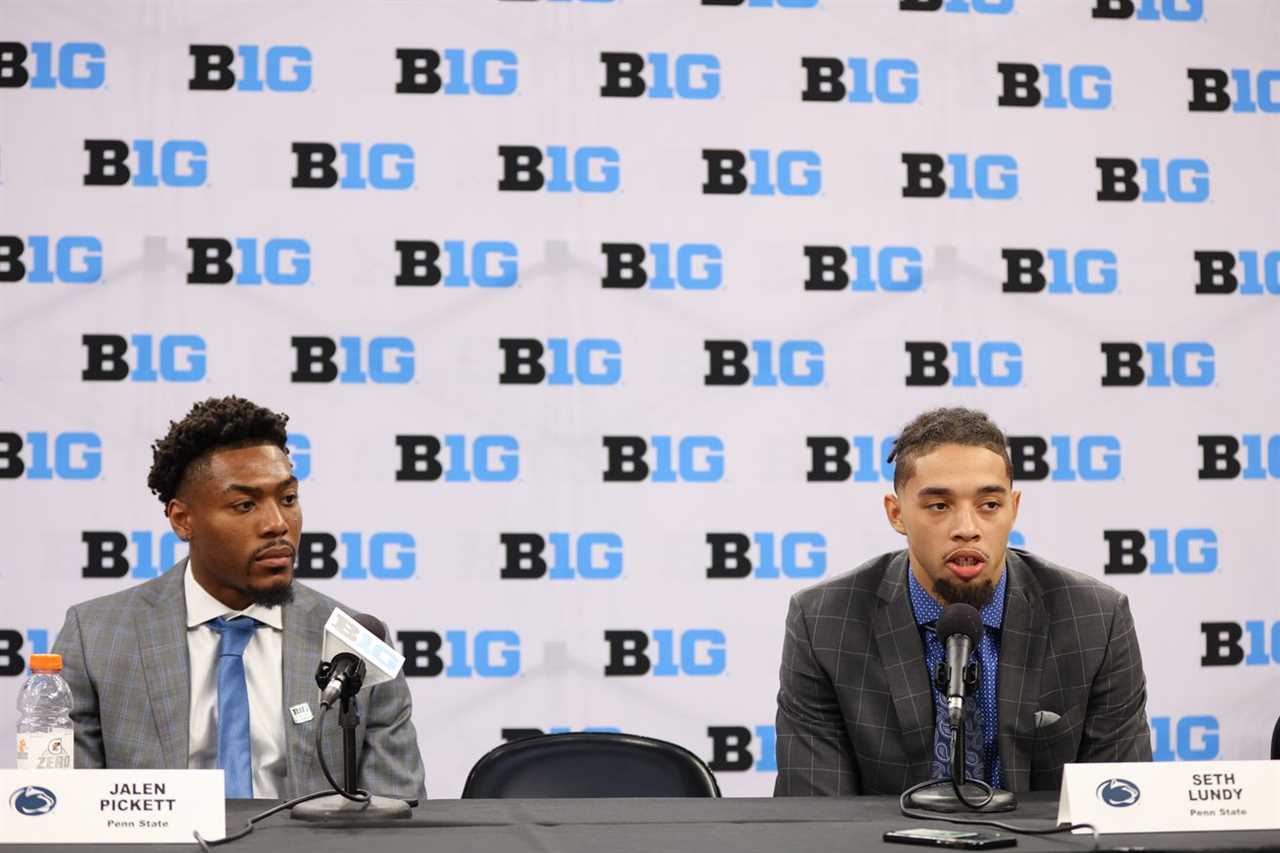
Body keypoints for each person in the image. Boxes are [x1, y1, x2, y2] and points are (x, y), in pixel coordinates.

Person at [53, 396, 426, 800]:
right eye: (245, 505)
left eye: (288, 499)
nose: (277, 524)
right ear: (183, 520)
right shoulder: (95, 639)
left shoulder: (357, 644)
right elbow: (68, 813)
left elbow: (398, 810)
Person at [774, 407, 1150, 796]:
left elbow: (1123, 805)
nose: (967, 529)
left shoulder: (1095, 618)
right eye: (939, 506)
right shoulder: (824, 622)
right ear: (897, 513)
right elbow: (816, 814)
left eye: (989, 505)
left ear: (1013, 508)